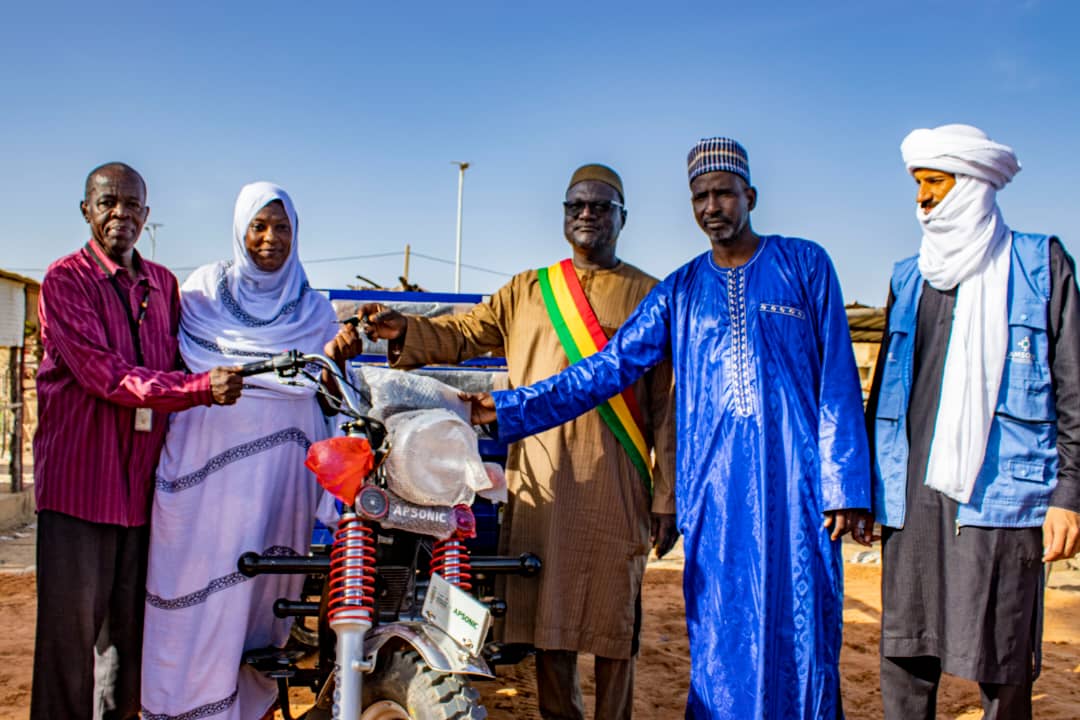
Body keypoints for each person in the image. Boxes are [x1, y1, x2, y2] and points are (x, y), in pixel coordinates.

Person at [458, 139, 874, 719]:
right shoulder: (678, 291)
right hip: (716, 492)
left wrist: (846, 485)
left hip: (796, 487)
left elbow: (836, 380)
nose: (712, 206)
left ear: (749, 196)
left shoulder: (804, 264)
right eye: (700, 196)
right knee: (720, 628)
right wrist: (508, 409)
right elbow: (605, 370)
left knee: (801, 622)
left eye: (724, 193)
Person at [361, 164, 677, 719]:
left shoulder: (652, 295)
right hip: (541, 480)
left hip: (618, 481)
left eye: (600, 206)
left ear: (623, 217)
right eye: (575, 205)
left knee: (614, 626)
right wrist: (406, 328)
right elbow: (464, 332)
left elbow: (667, 409)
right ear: (562, 213)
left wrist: (665, 495)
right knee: (547, 620)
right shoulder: (528, 289)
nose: (586, 215)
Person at [866, 124, 1080, 720]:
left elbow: (1074, 391)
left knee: (1003, 662)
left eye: (934, 183)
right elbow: (884, 390)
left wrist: (1069, 495)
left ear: (974, 184)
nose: (922, 199)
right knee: (906, 657)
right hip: (913, 501)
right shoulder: (908, 277)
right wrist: (867, 492)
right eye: (917, 185)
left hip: (1003, 499)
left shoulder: (1040, 265)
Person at [140, 182, 363, 720]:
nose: (270, 238)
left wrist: (341, 353)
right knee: (194, 592)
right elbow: (173, 368)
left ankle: (250, 706)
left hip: (279, 483)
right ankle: (183, 706)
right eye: (259, 226)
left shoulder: (312, 309)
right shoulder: (200, 294)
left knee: (260, 599)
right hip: (202, 479)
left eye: (282, 227)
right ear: (240, 230)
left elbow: (333, 386)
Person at [31, 162, 244, 720]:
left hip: (142, 491)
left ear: (147, 217)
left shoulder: (163, 285)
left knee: (129, 636)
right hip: (80, 486)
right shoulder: (64, 281)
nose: (120, 215)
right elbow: (106, 374)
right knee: (68, 639)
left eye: (132, 205)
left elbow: (183, 357)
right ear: (86, 210)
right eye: (107, 203)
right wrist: (200, 388)